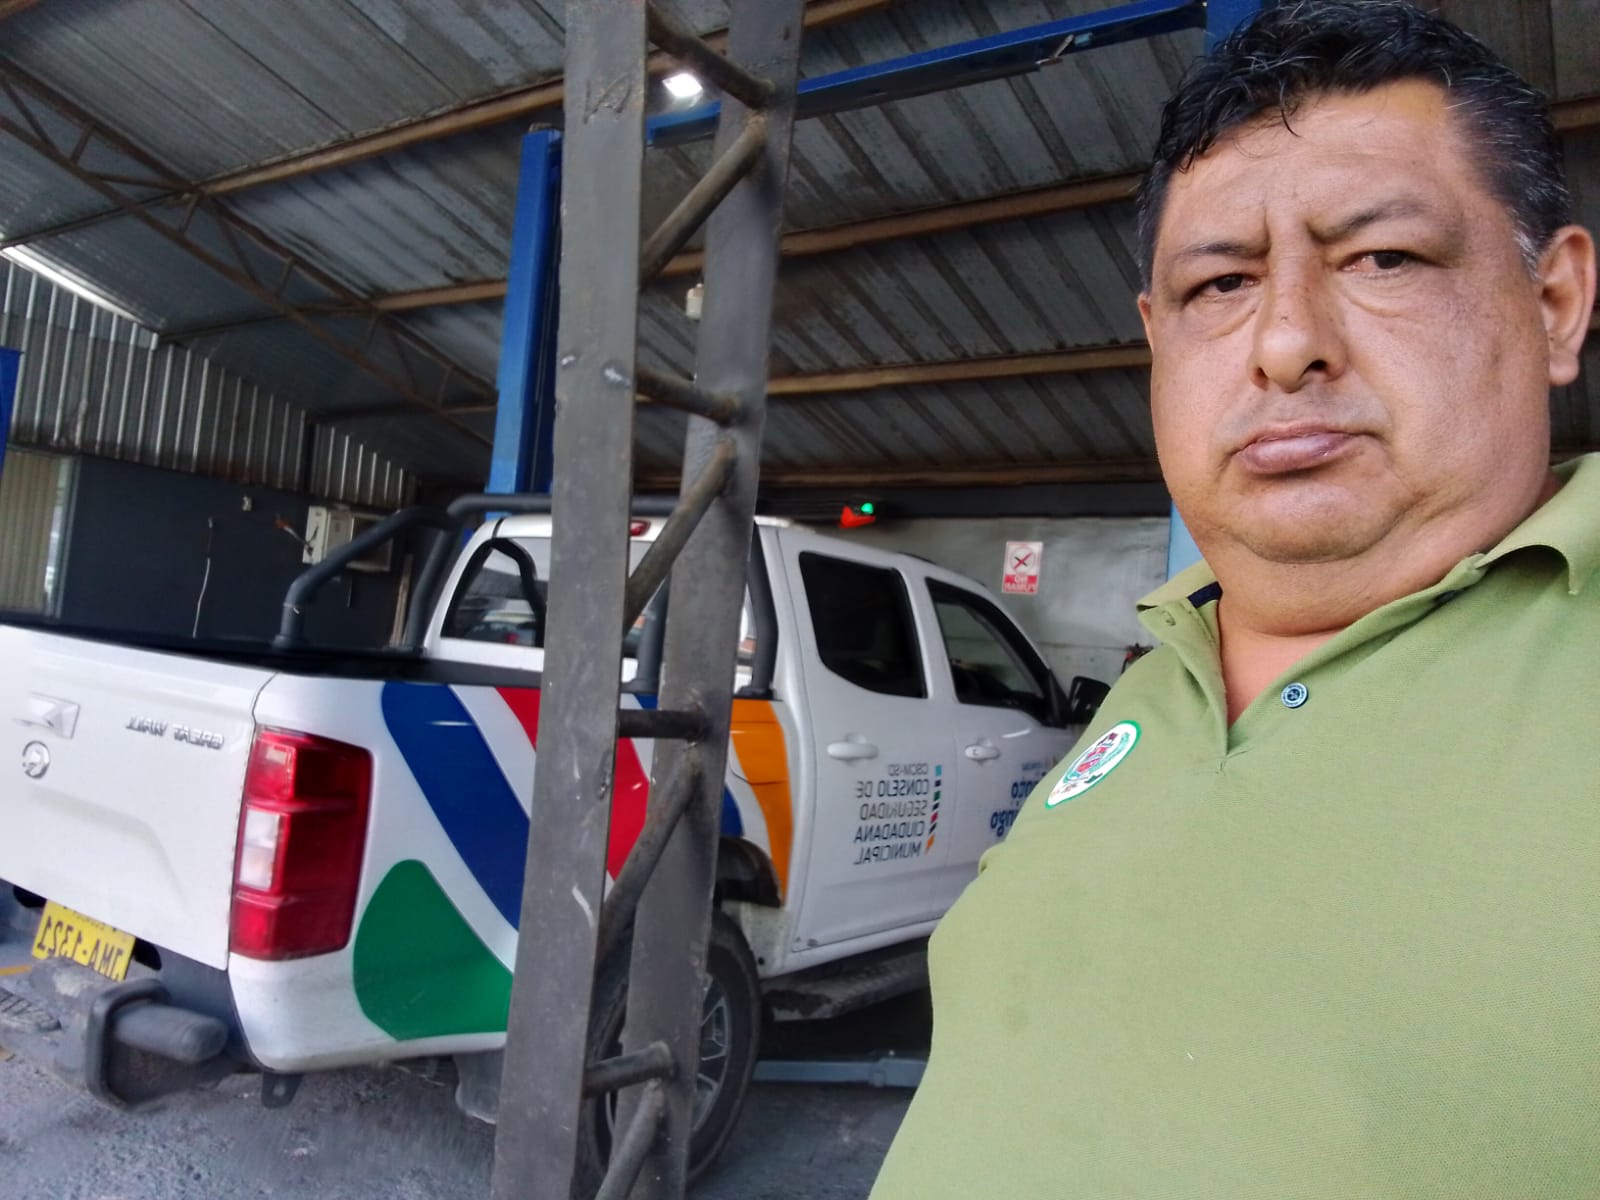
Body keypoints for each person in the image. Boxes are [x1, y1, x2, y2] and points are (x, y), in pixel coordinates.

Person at [871, 2, 1597, 1196]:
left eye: (1382, 257)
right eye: (1219, 283)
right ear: (1156, 341)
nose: (1284, 341)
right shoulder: (1149, 685)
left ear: (1554, 300)